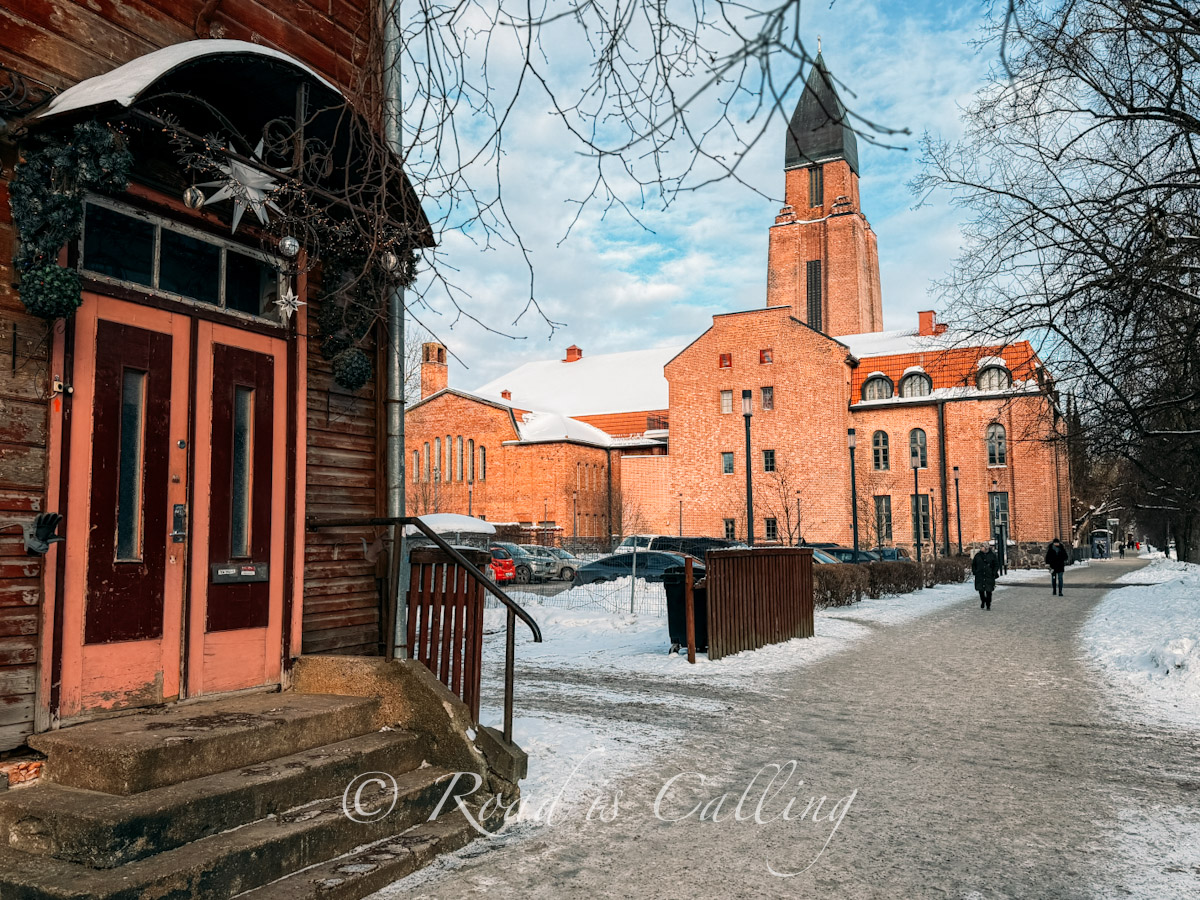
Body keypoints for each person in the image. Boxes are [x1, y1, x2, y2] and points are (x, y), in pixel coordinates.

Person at [972, 541, 1001, 610]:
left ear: (986, 548)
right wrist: (975, 571)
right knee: (981, 590)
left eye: (982, 547)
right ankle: (983, 601)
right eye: (981, 547)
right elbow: (974, 564)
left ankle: (988, 604)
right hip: (980, 575)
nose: (981, 548)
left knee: (989, 591)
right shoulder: (977, 555)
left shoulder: (992, 555)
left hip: (989, 575)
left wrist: (993, 572)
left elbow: (996, 565)